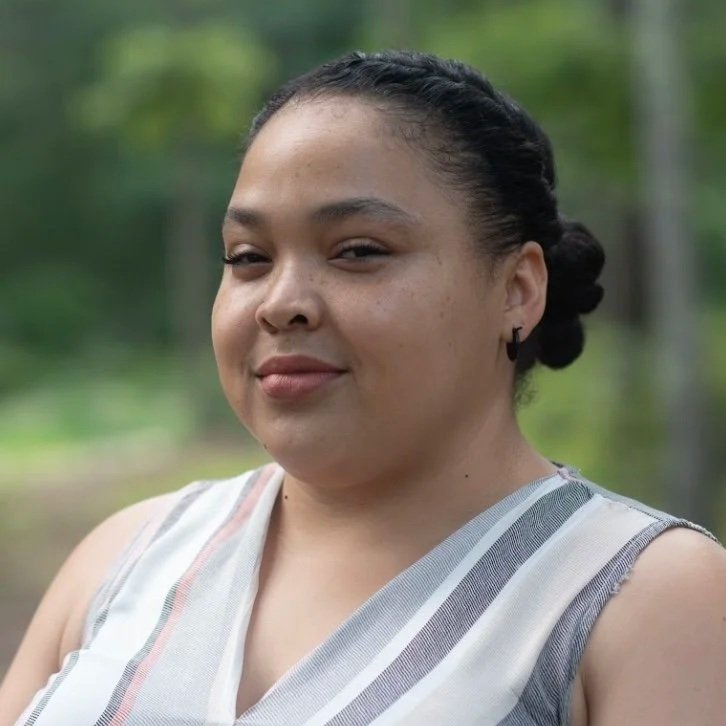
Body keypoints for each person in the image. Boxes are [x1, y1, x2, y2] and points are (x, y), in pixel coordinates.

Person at [1, 49, 724, 726]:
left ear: (516, 289)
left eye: (357, 251)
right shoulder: (130, 554)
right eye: (248, 257)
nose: (281, 302)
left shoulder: (641, 596)